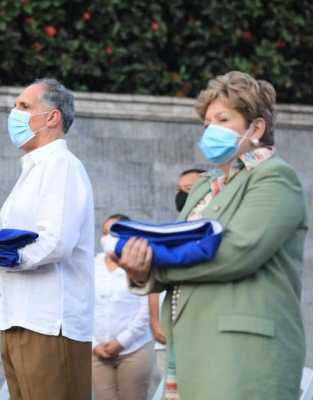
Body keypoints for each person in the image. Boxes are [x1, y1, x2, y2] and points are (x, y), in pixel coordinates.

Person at [116, 71, 308, 400]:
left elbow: (238, 252)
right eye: (207, 123)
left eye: (223, 118)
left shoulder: (275, 177)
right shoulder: (205, 184)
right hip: (190, 345)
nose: (211, 130)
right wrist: (139, 266)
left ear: (257, 128)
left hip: (243, 352)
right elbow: (180, 245)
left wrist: (155, 268)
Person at [0, 78, 95, 400]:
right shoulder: (34, 168)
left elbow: (56, 242)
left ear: (52, 117)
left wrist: (5, 256)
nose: (15, 113)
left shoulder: (61, 165)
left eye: (24, 107)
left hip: (49, 321)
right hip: (17, 315)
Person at [149, 168, 205, 377]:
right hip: (168, 334)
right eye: (178, 189)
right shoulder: (171, 230)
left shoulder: (212, 229)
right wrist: (156, 322)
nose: (181, 194)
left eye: (188, 189)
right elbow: (155, 278)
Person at [92, 214, 153, 400]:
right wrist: (94, 344)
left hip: (133, 349)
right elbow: (80, 306)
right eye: (104, 233)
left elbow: (146, 309)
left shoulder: (140, 264)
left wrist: (121, 342)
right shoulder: (91, 264)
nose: (107, 238)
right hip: (97, 351)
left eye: (113, 234)